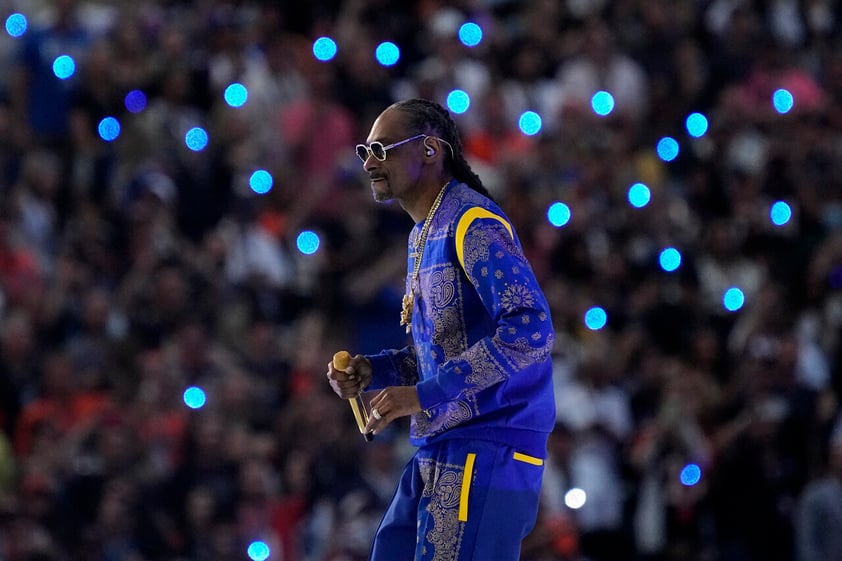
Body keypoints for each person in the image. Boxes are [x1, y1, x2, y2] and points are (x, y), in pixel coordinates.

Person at [326, 98, 556, 561]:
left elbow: (531, 328)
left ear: (430, 149)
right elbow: (448, 350)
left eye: (381, 149)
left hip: (489, 444)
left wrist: (423, 395)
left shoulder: (473, 224)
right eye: (363, 150)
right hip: (445, 443)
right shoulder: (422, 235)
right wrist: (376, 371)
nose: (369, 161)